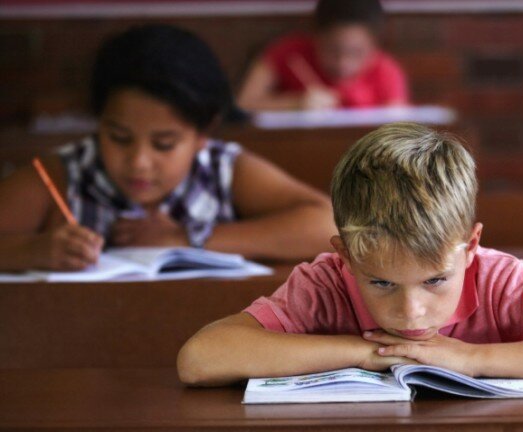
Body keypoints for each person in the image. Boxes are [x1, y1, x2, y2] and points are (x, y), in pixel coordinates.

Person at [177, 122, 523, 386]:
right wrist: (370, 354)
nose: (410, 313)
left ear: (469, 247)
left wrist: (473, 360)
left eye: (435, 281)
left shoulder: (500, 279)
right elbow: (200, 359)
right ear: (344, 255)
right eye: (381, 283)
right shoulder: (325, 282)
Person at [0, 24, 336, 272]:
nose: (139, 162)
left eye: (164, 144)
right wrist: (30, 250)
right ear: (99, 120)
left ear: (203, 133)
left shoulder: (222, 169)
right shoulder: (62, 172)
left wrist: (186, 238)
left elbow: (328, 225)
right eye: (118, 137)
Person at [237, 0, 409, 111]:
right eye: (332, 50)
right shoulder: (287, 54)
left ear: (375, 46)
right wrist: (295, 104)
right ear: (316, 36)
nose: (343, 63)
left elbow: (398, 121)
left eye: (357, 52)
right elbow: (242, 104)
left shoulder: (386, 69)